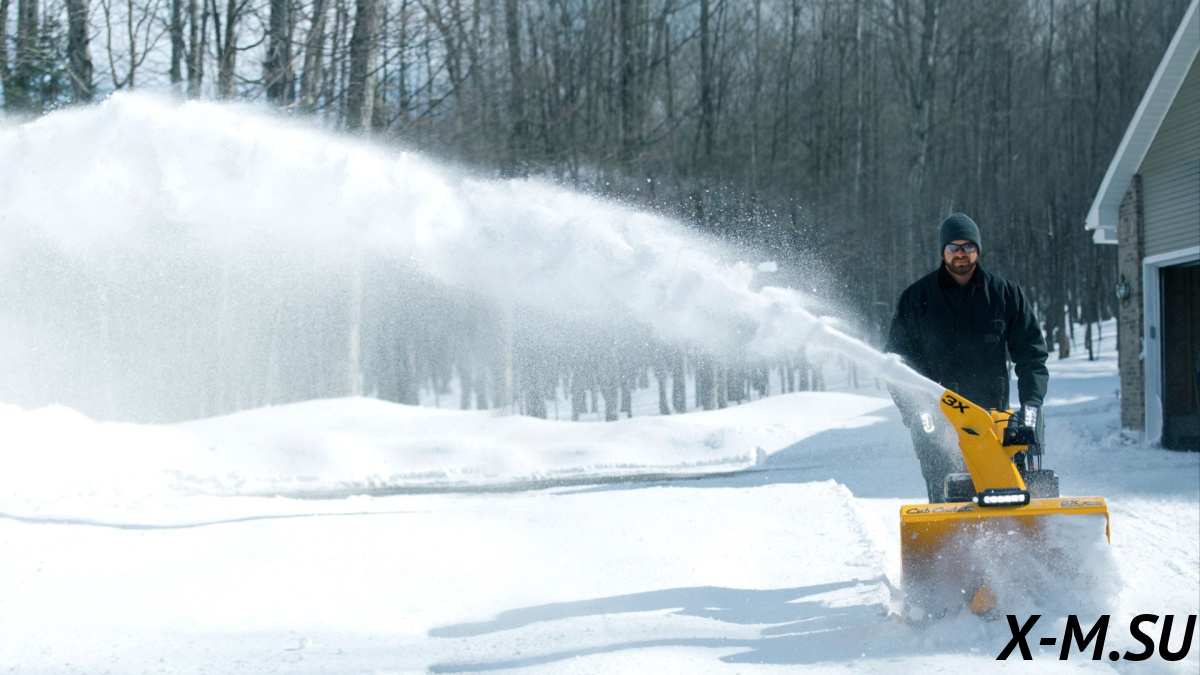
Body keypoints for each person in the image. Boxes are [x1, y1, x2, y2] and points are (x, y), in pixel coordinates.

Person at [885, 213, 1049, 502]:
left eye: (968, 246)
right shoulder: (917, 298)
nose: (960, 253)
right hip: (938, 422)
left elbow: (1032, 355)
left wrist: (1031, 406)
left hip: (993, 420)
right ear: (943, 251)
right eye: (953, 247)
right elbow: (897, 364)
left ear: (978, 249)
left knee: (1004, 494)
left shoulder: (1004, 294)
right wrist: (916, 410)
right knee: (947, 499)